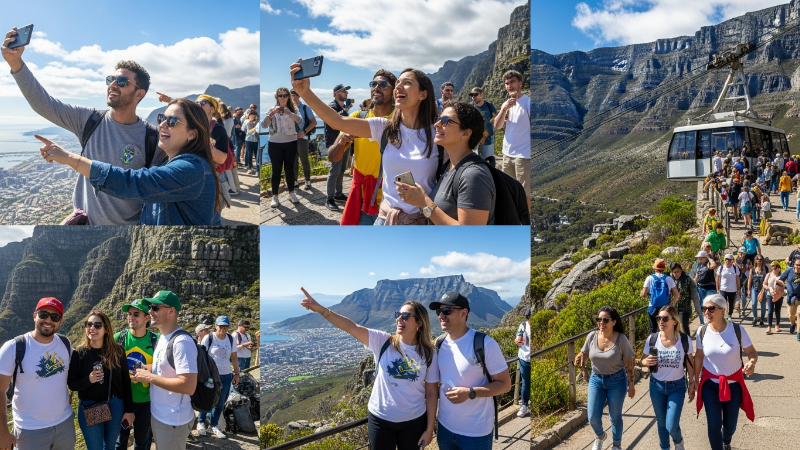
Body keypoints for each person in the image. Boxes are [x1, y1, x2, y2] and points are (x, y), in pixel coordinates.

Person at [2, 30, 161, 225]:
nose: (112, 85)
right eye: (111, 80)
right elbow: (44, 104)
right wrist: (16, 64)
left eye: (122, 82)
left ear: (139, 94)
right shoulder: (89, 120)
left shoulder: (151, 138)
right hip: (84, 230)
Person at [292, 63, 440, 225]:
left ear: (423, 94)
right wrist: (305, 92)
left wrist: (427, 209)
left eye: (407, 83)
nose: (399, 87)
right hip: (385, 219)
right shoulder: (384, 127)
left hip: (421, 222)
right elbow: (337, 121)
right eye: (398, 83)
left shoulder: (438, 133)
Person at [37, 98, 221, 225]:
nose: (163, 124)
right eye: (162, 118)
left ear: (192, 134)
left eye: (172, 121)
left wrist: (71, 159)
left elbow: (135, 183)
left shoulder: (191, 169)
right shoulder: (169, 164)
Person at [300, 288, 438, 450]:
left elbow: (431, 393)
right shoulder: (383, 342)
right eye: (398, 315)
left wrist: (429, 430)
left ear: (419, 323)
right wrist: (321, 310)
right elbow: (351, 327)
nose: (400, 319)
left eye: (406, 316)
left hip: (413, 422)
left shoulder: (429, 353)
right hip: (381, 420)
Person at [430, 292, 511, 450]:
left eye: (447, 311)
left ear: (463, 313)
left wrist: (470, 393)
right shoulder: (439, 343)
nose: (441, 316)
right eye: (439, 311)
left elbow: (505, 384)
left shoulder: (485, 344)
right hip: (445, 429)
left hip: (476, 433)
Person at [399, 101, 495, 225]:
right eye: (438, 118)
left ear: (465, 133)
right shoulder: (450, 166)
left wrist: (424, 203)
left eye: (445, 120)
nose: (436, 124)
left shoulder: (474, 175)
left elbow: (471, 236)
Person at [0, 298, 75, 450]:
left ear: (60, 321)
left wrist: (69, 392)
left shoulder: (65, 343)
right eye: (43, 314)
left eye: (54, 317)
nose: (48, 320)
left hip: (64, 424)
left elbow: (70, 373)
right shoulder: (14, 348)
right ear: (35, 316)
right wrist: (2, 432)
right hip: (30, 430)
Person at [130, 291, 198, 450]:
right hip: (160, 415)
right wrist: (147, 370)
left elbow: (188, 386)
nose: (150, 311)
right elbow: (163, 368)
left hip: (173, 419)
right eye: (149, 308)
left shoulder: (182, 342)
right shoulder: (162, 337)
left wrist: (150, 378)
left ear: (171, 311)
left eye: (155, 307)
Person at [328, 70, 396, 225]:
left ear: (393, 90)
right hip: (362, 200)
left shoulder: (400, 120)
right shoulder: (358, 118)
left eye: (383, 84)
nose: (376, 88)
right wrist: (341, 142)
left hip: (390, 201)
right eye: (373, 84)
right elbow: (333, 157)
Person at [694, 294, 757, 450]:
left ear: (722, 310)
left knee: (730, 426)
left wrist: (751, 363)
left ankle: (726, 440)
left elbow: (752, 353)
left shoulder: (736, 330)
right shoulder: (701, 331)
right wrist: (694, 381)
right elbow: (699, 356)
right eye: (704, 309)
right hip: (710, 385)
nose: (706, 312)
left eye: (711, 309)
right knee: (714, 424)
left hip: (733, 385)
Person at [68, 311, 134, 450]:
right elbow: (72, 384)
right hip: (89, 405)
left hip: (115, 404)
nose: (92, 328)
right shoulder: (79, 353)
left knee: (110, 447)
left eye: (97, 325)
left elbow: (125, 382)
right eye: (89, 324)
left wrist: (129, 410)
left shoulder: (117, 351)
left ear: (106, 329)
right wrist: (89, 380)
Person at [575, 306, 635, 450]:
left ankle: (617, 445)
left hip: (617, 380)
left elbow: (628, 362)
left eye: (605, 320)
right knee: (593, 417)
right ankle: (600, 436)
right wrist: (583, 369)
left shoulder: (621, 339)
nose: (601, 322)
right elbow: (584, 352)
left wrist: (631, 384)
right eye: (599, 319)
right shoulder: (592, 336)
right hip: (596, 379)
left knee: (615, 416)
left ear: (614, 322)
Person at [641, 305, 696, 450]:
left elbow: (690, 363)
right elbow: (643, 360)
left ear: (675, 321)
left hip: (676, 387)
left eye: (665, 318)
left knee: (671, 425)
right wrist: (645, 362)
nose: (661, 321)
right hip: (656, 386)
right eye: (659, 318)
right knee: (661, 423)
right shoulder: (652, 339)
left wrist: (692, 383)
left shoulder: (684, 340)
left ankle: (678, 442)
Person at [114, 299, 160, 450]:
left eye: (136, 314)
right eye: (129, 314)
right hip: (122, 400)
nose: (131, 317)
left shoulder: (156, 341)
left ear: (147, 318)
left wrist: (149, 368)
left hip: (146, 401)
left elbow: (167, 365)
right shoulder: (119, 338)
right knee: (120, 442)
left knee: (142, 442)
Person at [197, 316, 240, 439]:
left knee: (220, 401)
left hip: (226, 374)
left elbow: (234, 357)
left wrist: (237, 374)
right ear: (216, 326)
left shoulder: (230, 339)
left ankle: (214, 425)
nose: (223, 328)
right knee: (207, 398)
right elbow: (202, 356)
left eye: (225, 326)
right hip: (210, 375)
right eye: (221, 326)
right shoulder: (209, 338)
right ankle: (201, 422)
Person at [493, 70, 530, 208]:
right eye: (507, 83)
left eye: (512, 82)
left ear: (520, 83)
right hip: (507, 154)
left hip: (523, 156)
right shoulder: (506, 104)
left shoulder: (527, 102)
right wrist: (503, 109)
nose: (509, 86)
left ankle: (525, 220)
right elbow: (497, 126)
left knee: (524, 192)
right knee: (508, 190)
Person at [262, 87, 302, 208]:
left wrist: (289, 113)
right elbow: (264, 125)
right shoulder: (271, 109)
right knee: (276, 170)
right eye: (280, 95)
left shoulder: (293, 109)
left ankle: (291, 193)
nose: (282, 98)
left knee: (289, 169)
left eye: (285, 95)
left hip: (291, 142)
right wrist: (271, 115)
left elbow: (299, 120)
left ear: (288, 96)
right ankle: (275, 196)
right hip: (275, 143)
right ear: (277, 97)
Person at [323, 83, 353, 211]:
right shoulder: (331, 107)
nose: (346, 93)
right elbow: (335, 121)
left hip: (345, 142)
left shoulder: (342, 108)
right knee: (334, 171)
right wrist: (345, 110)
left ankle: (338, 193)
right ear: (335, 93)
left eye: (346, 91)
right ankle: (329, 198)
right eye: (343, 91)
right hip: (335, 144)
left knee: (341, 169)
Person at [640, 258, 679, 333]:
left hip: (653, 307)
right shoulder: (669, 279)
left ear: (654, 268)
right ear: (663, 268)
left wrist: (643, 294)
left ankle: (652, 343)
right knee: (665, 328)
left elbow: (643, 294)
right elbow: (676, 295)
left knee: (653, 328)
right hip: (665, 308)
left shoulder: (649, 278)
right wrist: (671, 304)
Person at [291, 90, 318, 191]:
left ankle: (307, 181)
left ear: (299, 96)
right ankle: (295, 181)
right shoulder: (289, 109)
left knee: (304, 160)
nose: (294, 97)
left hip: (303, 138)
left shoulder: (305, 108)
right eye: (292, 96)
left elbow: (314, 122)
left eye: (295, 95)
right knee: (293, 161)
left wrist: (305, 132)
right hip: (291, 138)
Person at [470, 87, 498, 168]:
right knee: (475, 161)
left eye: (476, 94)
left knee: (488, 159)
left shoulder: (489, 105)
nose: (473, 97)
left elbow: (495, 117)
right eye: (472, 95)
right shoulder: (470, 106)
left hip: (488, 137)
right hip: (474, 138)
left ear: (481, 95)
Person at [670, 262, 699, 335]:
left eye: (677, 272)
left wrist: (696, 303)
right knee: (675, 326)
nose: (675, 274)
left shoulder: (687, 279)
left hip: (685, 306)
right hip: (674, 306)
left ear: (681, 271)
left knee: (684, 325)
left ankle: (687, 342)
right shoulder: (670, 279)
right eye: (674, 272)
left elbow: (693, 290)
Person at [777, 257, 800, 338]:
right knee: (791, 315)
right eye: (797, 265)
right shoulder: (789, 271)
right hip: (791, 298)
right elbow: (780, 280)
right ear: (794, 265)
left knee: (799, 314)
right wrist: (782, 285)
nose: (798, 267)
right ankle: (793, 324)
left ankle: (798, 332)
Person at [514, 308, 531, 418]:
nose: (528, 319)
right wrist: (517, 341)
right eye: (527, 317)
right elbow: (517, 338)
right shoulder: (523, 325)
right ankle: (524, 405)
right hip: (524, 358)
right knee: (525, 383)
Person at [693, 250, 717, 325]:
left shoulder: (708, 263)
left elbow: (714, 265)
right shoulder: (698, 265)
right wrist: (694, 283)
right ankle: (703, 322)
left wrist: (709, 258)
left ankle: (712, 320)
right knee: (702, 305)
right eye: (698, 258)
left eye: (701, 257)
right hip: (700, 287)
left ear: (704, 257)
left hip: (710, 288)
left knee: (710, 305)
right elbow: (697, 275)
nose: (699, 259)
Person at [716, 254, 741, 320]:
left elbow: (737, 279)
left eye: (729, 260)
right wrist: (717, 289)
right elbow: (717, 278)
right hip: (723, 289)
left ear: (732, 261)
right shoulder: (721, 268)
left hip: (732, 289)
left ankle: (729, 314)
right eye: (726, 259)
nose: (727, 261)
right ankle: (723, 315)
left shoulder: (735, 269)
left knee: (731, 303)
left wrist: (738, 289)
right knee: (723, 303)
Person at [764, 261, 785, 334]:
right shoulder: (769, 275)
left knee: (777, 310)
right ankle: (769, 327)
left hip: (779, 295)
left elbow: (784, 285)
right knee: (770, 311)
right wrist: (768, 288)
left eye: (775, 266)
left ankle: (777, 325)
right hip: (770, 294)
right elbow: (764, 284)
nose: (774, 268)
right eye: (772, 266)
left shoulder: (782, 276)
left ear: (779, 268)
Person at [747, 255, 768, 327]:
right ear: (755, 260)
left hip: (762, 289)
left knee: (762, 304)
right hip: (754, 288)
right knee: (753, 303)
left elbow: (768, 278)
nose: (759, 260)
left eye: (761, 259)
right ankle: (755, 317)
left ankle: (762, 319)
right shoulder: (752, 269)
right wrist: (748, 289)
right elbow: (750, 280)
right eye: (757, 259)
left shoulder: (765, 269)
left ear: (762, 260)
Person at [243, 110, 260, 175]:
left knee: (251, 153)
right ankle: (256, 169)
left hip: (249, 139)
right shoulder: (257, 122)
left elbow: (243, 130)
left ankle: (251, 168)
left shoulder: (246, 121)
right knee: (255, 154)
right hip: (255, 139)